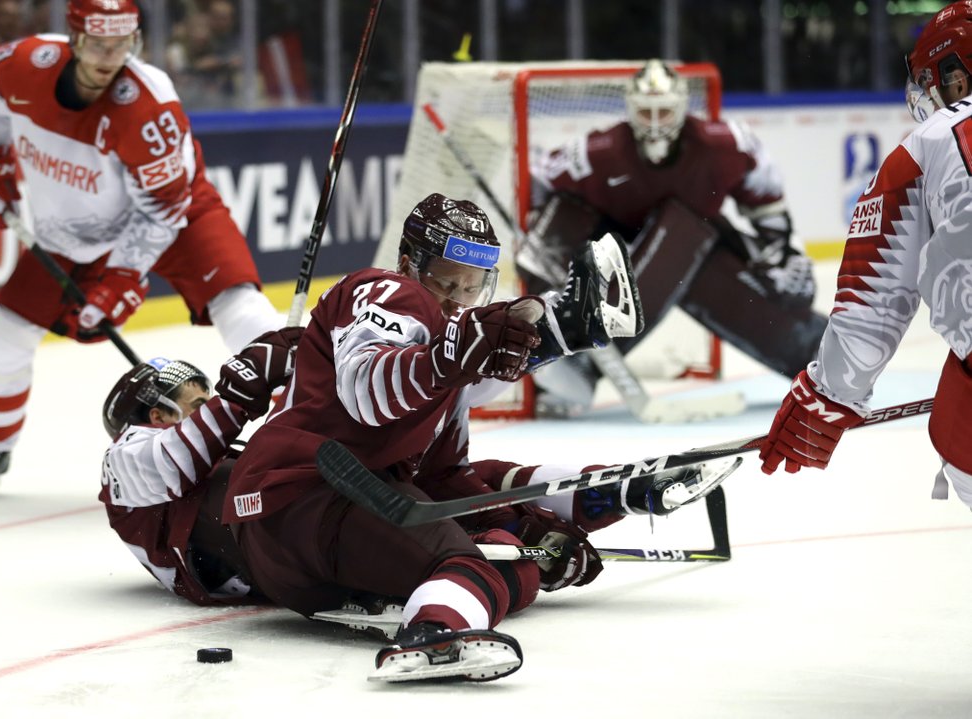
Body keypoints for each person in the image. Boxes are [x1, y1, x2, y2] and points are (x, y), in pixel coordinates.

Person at [220, 192, 730, 683]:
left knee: (505, 532)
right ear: (408, 264)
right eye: (446, 283)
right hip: (303, 494)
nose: (458, 301)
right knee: (478, 561)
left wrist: (529, 530)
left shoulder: (445, 357)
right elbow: (367, 392)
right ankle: (433, 635)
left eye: (472, 288)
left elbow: (444, 481)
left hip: (311, 532)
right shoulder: (383, 291)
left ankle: (618, 492)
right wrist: (450, 356)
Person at [0, 0, 283, 499]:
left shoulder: (148, 104)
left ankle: (318, 422)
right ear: (74, 39)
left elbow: (164, 205)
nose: (109, 57)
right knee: (1, 333)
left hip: (173, 213)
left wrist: (122, 278)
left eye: (122, 44)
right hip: (75, 226)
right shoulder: (20, 64)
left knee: (241, 306)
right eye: (98, 44)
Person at [758, 1, 972, 512]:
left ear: (955, 75)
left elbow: (871, 301)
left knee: (957, 422)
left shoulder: (928, 144)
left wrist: (826, 397)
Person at [524, 58, 827, 416]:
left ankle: (813, 346)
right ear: (629, 111)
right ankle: (571, 349)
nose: (654, 123)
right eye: (645, 112)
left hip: (696, 243)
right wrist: (547, 244)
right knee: (680, 237)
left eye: (664, 111)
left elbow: (766, 202)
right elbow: (540, 181)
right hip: (618, 249)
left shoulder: (726, 145)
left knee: (684, 237)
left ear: (682, 108)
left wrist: (784, 254)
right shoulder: (595, 153)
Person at [99, 327, 301, 606]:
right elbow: (173, 460)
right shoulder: (122, 457)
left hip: (265, 555)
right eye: (198, 405)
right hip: (246, 559)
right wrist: (240, 391)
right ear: (157, 416)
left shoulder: (206, 456)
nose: (207, 411)